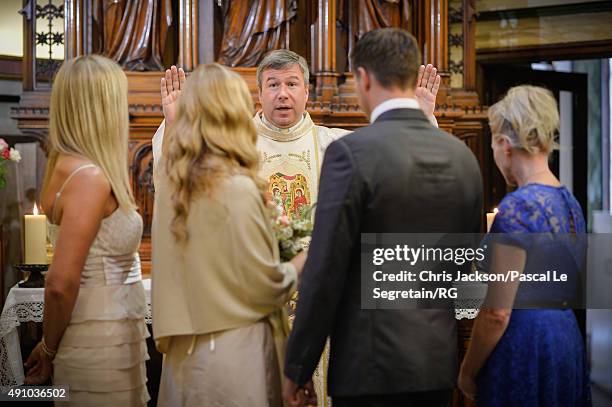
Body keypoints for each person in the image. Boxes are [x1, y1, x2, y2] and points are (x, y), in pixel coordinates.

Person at [152, 49, 442, 407]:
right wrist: (174, 125)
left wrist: (422, 118)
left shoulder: (334, 145)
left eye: (292, 84)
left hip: (312, 307)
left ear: (307, 92)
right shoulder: (229, 150)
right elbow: (170, 184)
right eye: (272, 85)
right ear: (257, 94)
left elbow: (395, 172)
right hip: (248, 311)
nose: (283, 94)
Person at [282, 28, 483, 407]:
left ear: (364, 78)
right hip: (435, 361)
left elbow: (325, 268)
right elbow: (463, 261)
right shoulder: (462, 158)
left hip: (369, 365)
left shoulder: (350, 153)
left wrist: (298, 365)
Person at [151, 63, 307, 406]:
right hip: (233, 356)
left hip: (183, 358)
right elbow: (266, 287)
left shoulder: (170, 187)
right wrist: (305, 259)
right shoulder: (237, 188)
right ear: (235, 114)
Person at [24, 55, 150, 406]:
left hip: (108, 338)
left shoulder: (64, 166)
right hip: (101, 347)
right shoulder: (90, 178)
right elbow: (60, 282)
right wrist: (49, 347)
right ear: (103, 106)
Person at [458, 85, 591, 406]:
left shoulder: (518, 207)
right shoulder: (569, 202)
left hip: (524, 346)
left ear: (504, 146)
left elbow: (496, 312)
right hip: (565, 341)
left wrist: (467, 370)